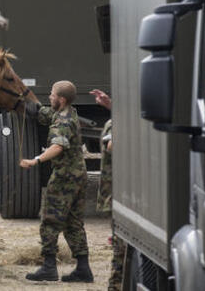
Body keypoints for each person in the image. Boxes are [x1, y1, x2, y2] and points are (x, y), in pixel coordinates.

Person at [20, 80, 93, 283]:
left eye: (52, 95)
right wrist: (24, 102)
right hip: (79, 176)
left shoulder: (62, 122)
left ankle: (49, 267)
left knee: (50, 221)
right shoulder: (69, 112)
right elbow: (43, 113)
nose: (49, 97)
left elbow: (58, 147)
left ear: (60, 99)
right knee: (74, 223)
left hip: (64, 178)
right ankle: (83, 269)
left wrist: (35, 160)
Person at [91, 88, 125, 291]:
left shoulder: (120, 125)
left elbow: (112, 146)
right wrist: (111, 106)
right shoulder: (121, 121)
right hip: (117, 192)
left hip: (121, 194)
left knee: (120, 251)